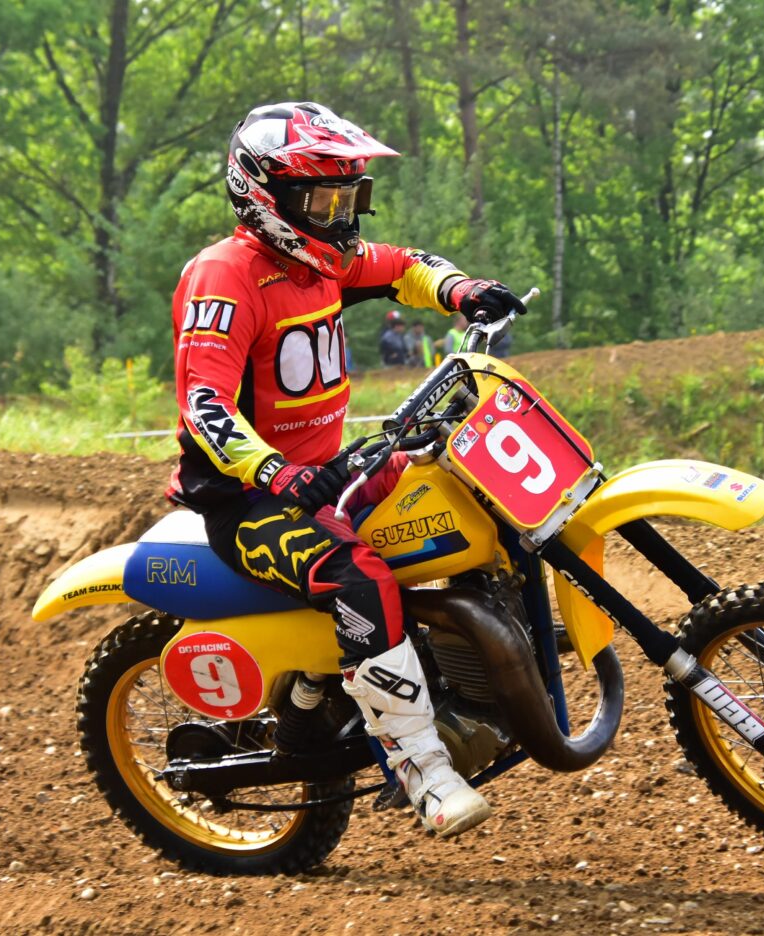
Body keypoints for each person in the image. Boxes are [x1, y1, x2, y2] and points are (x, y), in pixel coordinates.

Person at [168, 101, 527, 837]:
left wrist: (462, 289)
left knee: (468, 488)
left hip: (327, 474)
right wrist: (278, 474)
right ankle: (422, 768)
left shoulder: (320, 261)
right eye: (322, 200)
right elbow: (205, 407)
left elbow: (403, 266)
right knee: (357, 577)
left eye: (348, 197)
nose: (339, 216)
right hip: (251, 500)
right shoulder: (225, 276)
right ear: (264, 193)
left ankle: (480, 680)